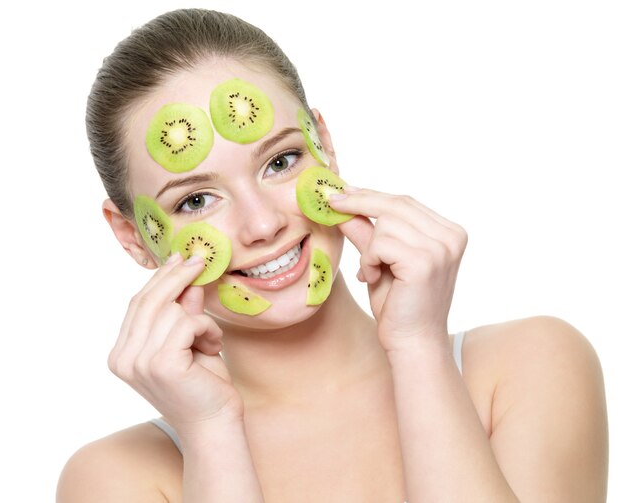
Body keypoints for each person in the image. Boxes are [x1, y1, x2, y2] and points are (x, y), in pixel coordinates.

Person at [57, 8, 608, 502]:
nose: (264, 223)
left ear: (325, 144)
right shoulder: (115, 480)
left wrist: (419, 348)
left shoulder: (530, 366)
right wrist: (211, 432)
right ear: (132, 237)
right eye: (196, 200)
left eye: (280, 161)